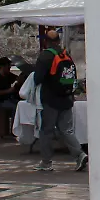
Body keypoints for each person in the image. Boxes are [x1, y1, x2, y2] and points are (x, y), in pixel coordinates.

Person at [33, 27, 88, 173]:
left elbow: (37, 78)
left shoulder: (45, 56)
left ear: (46, 42)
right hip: (67, 98)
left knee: (46, 131)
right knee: (66, 130)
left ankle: (46, 162)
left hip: (51, 100)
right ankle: (80, 155)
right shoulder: (66, 54)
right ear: (58, 41)